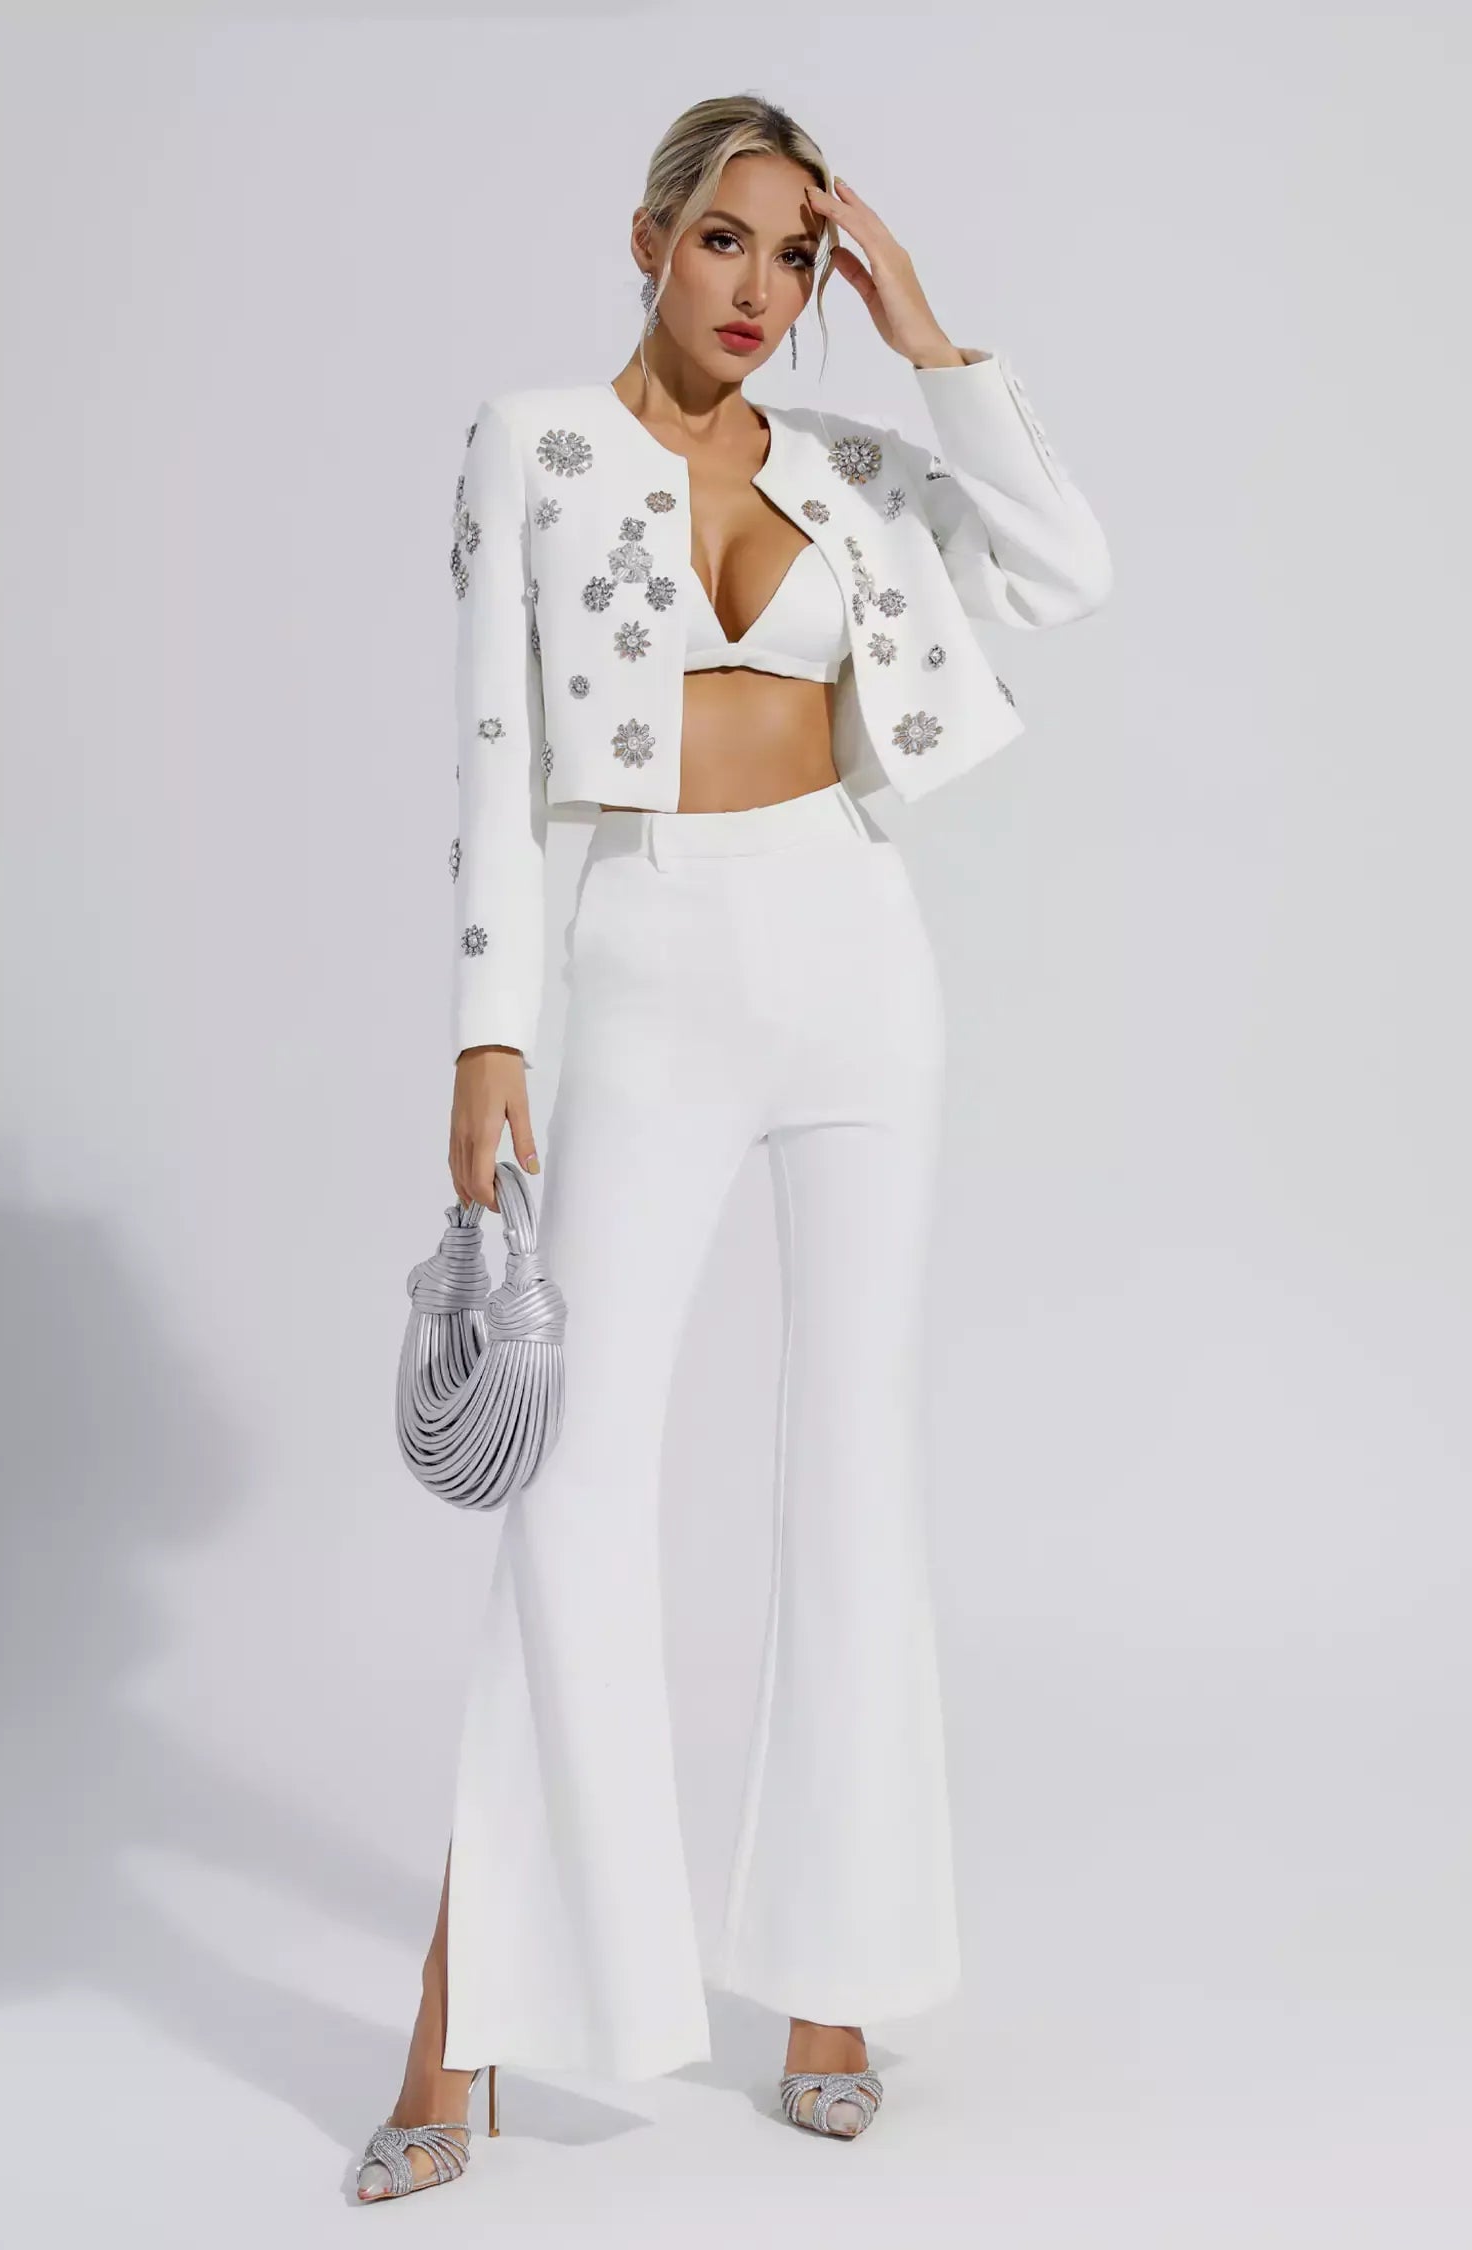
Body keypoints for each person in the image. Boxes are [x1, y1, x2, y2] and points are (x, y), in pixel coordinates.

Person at [356, 91, 1111, 2201]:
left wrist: (926, 326)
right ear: (646, 239)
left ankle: (835, 1984)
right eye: (725, 240)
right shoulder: (534, 444)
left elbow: (1069, 567)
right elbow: (492, 753)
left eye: (798, 255)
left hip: (855, 955)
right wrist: (488, 1033)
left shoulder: (853, 466)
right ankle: (459, 2024)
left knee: (853, 1462)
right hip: (651, 960)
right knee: (572, 1486)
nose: (762, 288)